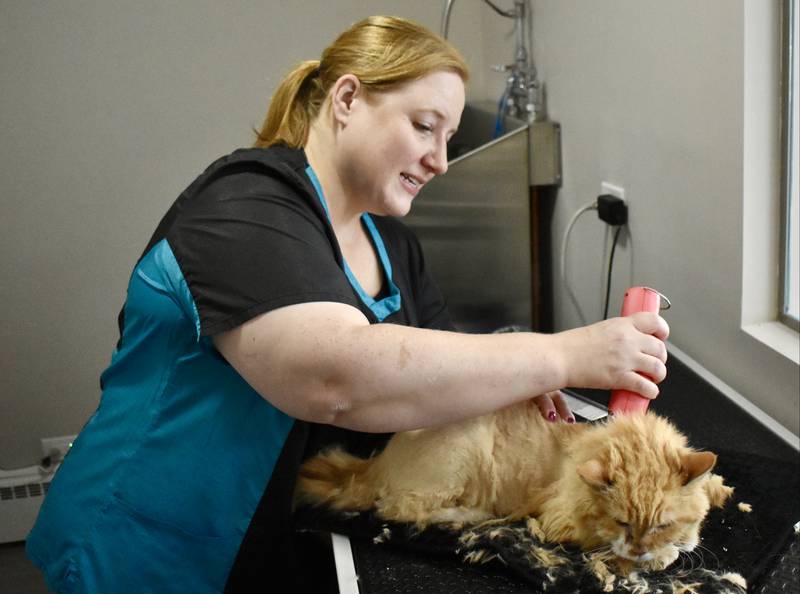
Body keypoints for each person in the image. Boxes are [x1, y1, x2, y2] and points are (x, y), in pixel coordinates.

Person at [26, 15, 669, 593]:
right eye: (425, 127)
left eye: (449, 137)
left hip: (272, 532)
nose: (441, 160)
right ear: (348, 98)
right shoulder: (244, 209)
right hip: (150, 545)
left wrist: (512, 386)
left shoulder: (392, 242)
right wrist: (560, 354)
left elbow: (430, 379)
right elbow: (335, 379)